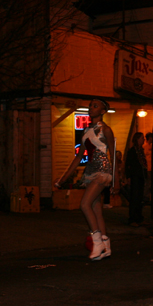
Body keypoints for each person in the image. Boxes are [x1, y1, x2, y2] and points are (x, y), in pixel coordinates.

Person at [55, 99, 116, 260]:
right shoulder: (86, 131)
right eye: (90, 105)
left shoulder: (106, 130)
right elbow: (78, 158)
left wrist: (115, 181)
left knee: (84, 204)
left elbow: (115, 155)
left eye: (95, 106)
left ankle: (97, 243)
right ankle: (106, 246)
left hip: (102, 172)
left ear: (102, 111)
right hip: (90, 172)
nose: (91, 108)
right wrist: (63, 179)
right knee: (96, 210)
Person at [125, 132, 147, 226]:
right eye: (142, 138)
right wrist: (128, 176)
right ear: (137, 139)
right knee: (134, 197)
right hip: (135, 176)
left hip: (141, 176)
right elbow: (128, 164)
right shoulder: (133, 151)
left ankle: (139, 217)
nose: (143, 140)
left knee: (140, 198)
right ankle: (132, 218)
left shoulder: (141, 150)